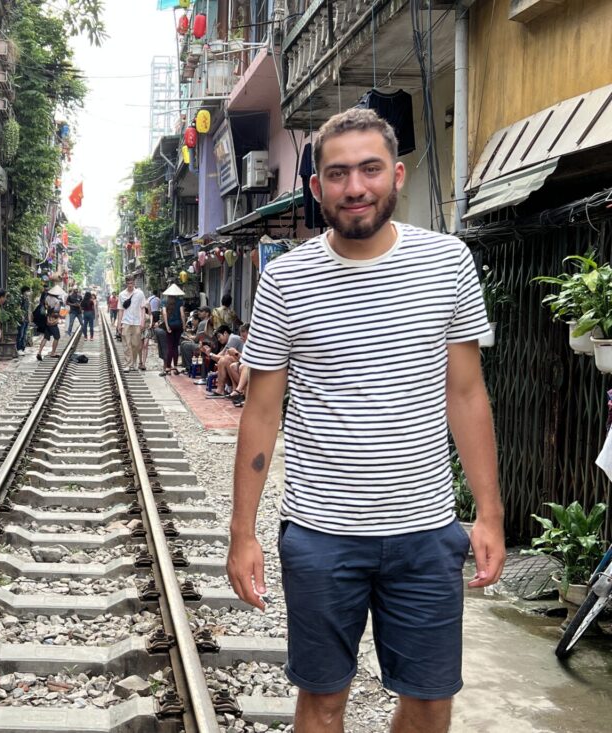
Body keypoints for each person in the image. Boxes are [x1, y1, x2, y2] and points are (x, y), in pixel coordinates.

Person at [227, 108, 504, 733]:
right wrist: (242, 531)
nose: (355, 187)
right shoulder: (285, 277)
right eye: (338, 173)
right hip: (321, 535)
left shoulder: (448, 261)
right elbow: (262, 413)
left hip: (427, 533)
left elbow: (466, 395)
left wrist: (488, 513)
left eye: (370, 169)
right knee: (322, 703)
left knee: (431, 702)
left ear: (397, 175)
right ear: (318, 186)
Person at [115, 276, 147, 371]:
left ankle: (133, 362)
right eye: (128, 283)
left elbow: (142, 308)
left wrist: (143, 321)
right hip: (126, 322)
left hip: (137, 322)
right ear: (126, 283)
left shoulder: (140, 293)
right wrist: (119, 324)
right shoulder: (122, 294)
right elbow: (120, 309)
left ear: (134, 283)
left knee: (136, 344)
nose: (130, 285)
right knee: (126, 344)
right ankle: (128, 364)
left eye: (132, 283)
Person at [161, 293, 186, 375]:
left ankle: (168, 367)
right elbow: (182, 314)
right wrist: (184, 325)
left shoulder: (164, 301)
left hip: (170, 326)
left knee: (170, 346)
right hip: (178, 326)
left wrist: (167, 325)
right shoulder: (180, 301)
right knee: (175, 346)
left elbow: (164, 313)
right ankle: (175, 367)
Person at [147, 291, 166, 364]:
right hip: (157, 312)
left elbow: (148, 305)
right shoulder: (158, 299)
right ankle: (155, 335)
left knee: (152, 324)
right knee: (156, 324)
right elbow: (160, 306)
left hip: (152, 312)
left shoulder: (149, 298)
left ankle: (152, 335)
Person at [16, 286, 32, 355]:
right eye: (28, 291)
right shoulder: (21, 298)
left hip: (26, 319)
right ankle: (19, 348)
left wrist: (29, 317)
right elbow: (18, 308)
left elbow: (28, 309)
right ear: (25, 291)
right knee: (21, 334)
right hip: (21, 319)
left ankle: (23, 348)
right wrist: (21, 316)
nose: (29, 292)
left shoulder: (27, 299)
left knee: (24, 334)